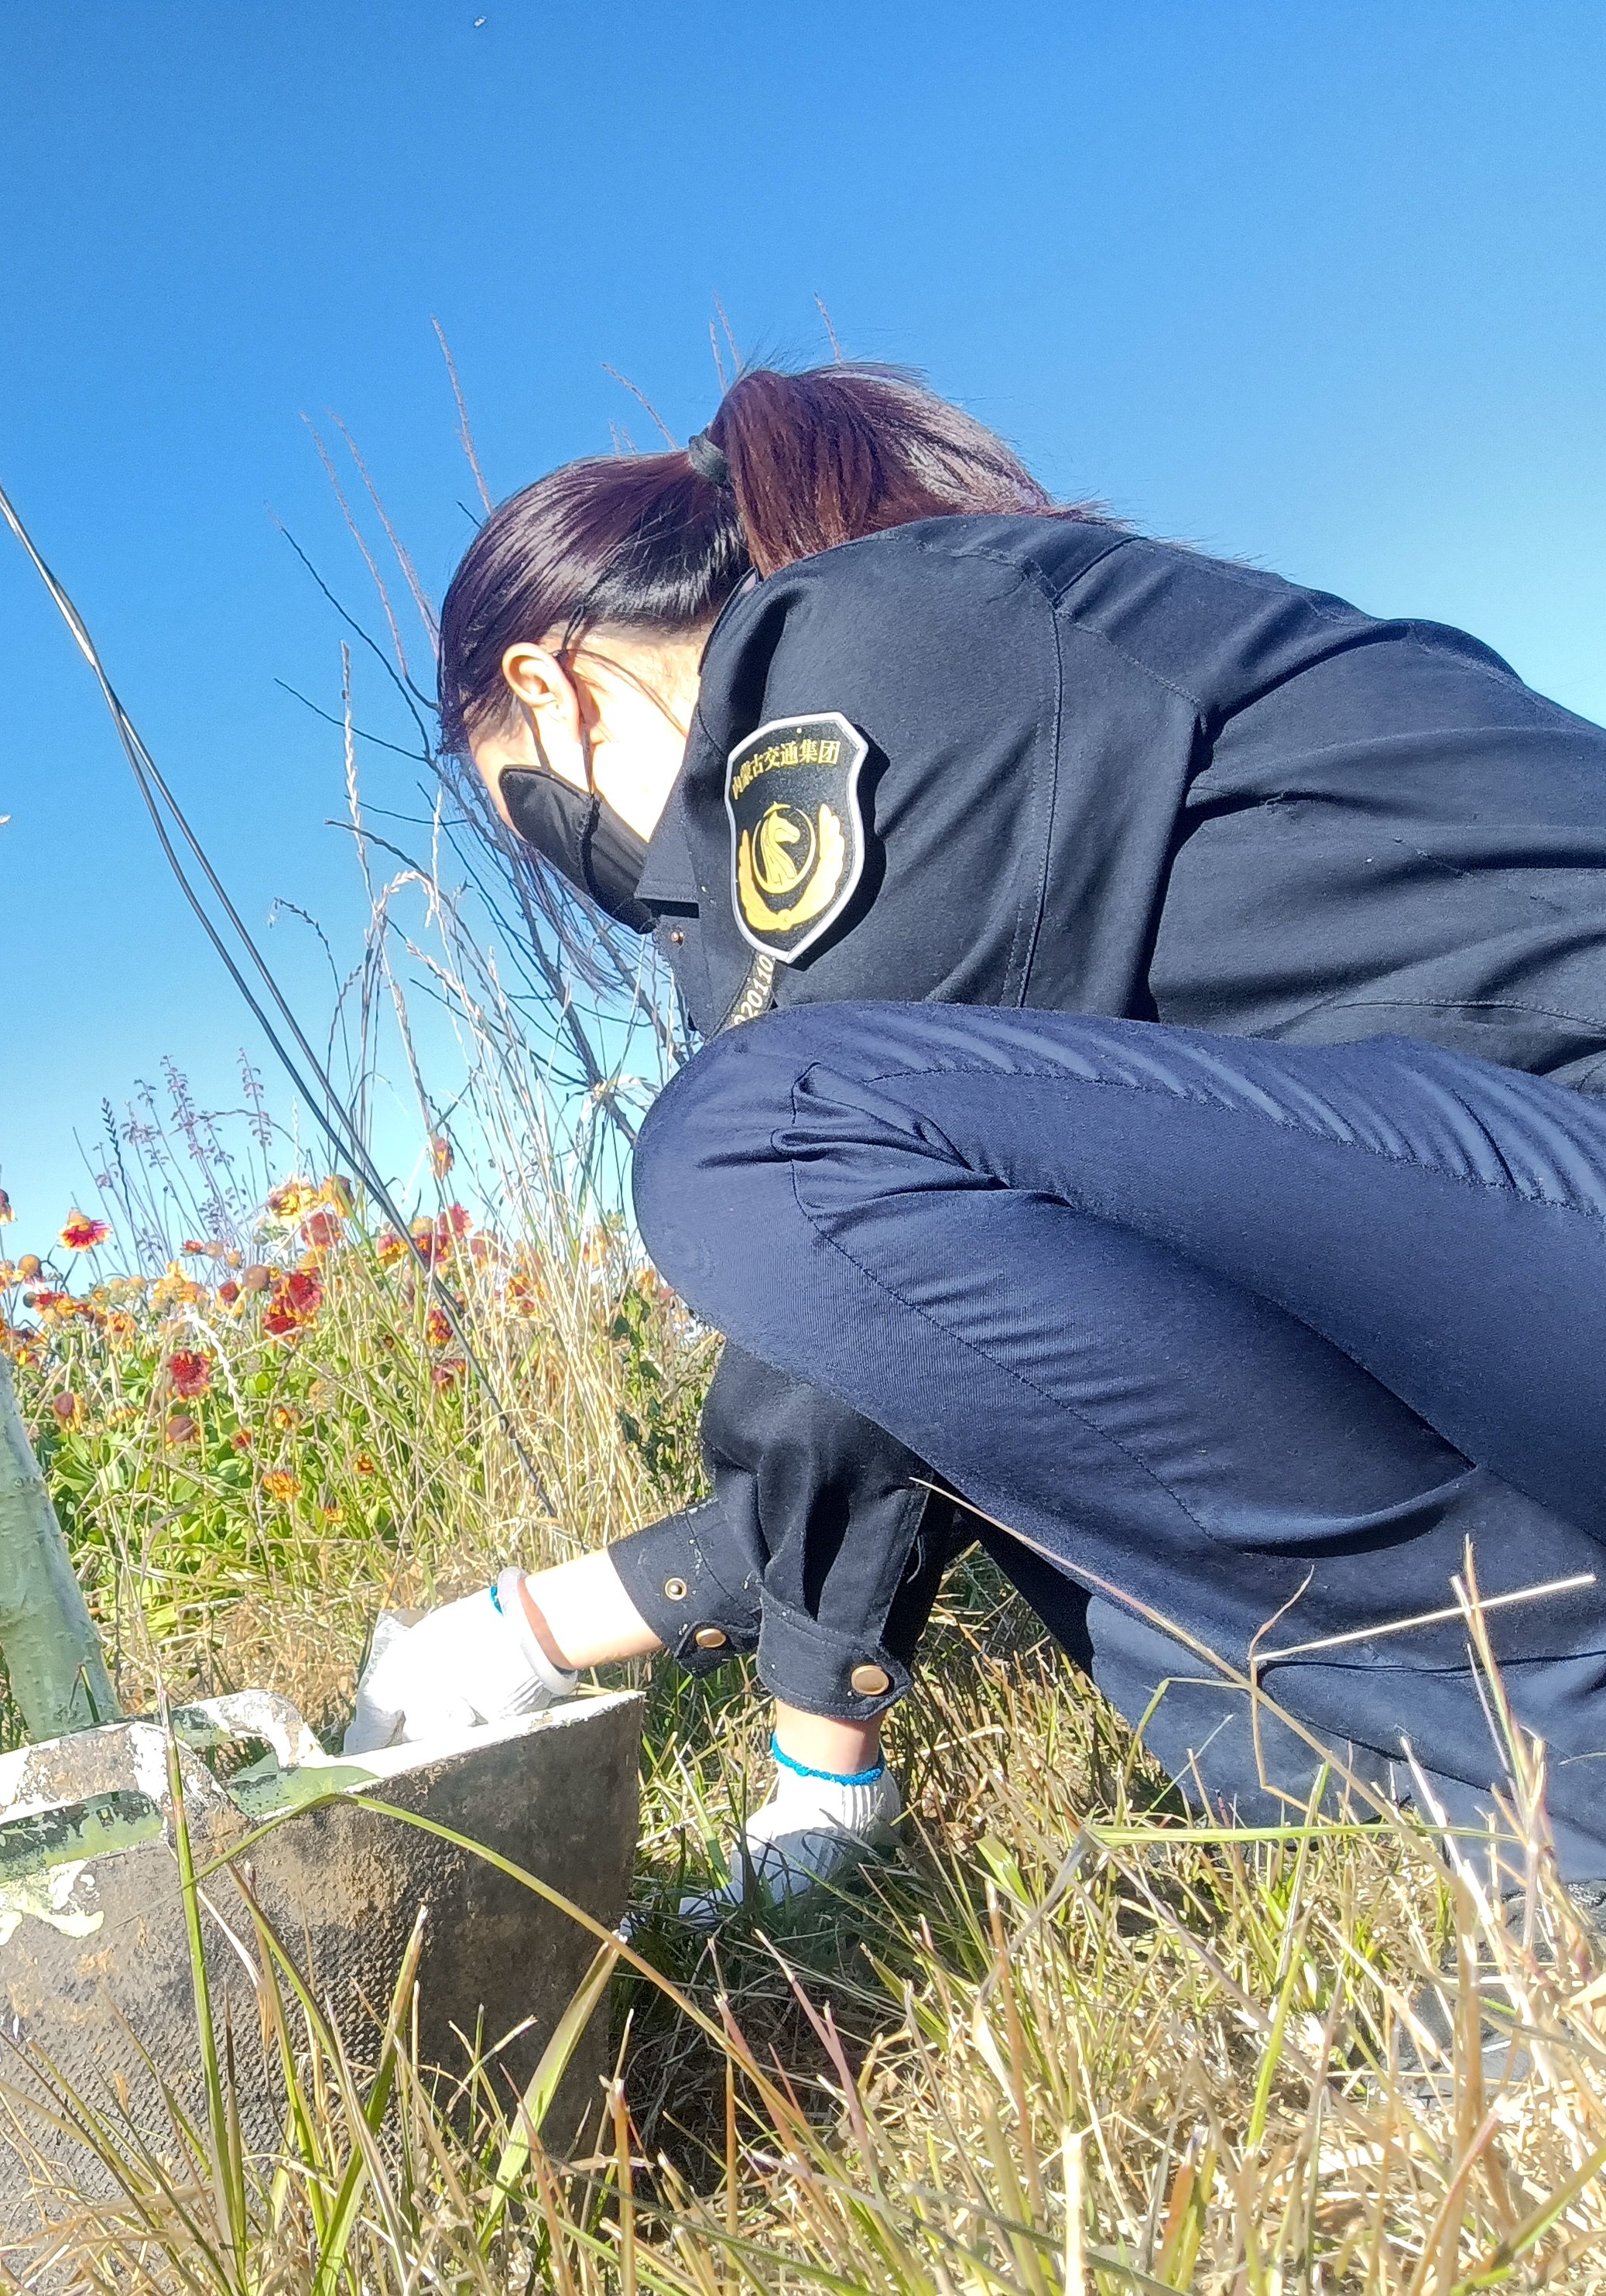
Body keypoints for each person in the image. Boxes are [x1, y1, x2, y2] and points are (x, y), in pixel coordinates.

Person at [345, 365, 1606, 1927]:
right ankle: (1447, 1774)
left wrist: (547, 1649)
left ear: (554, 688)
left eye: (538, 818)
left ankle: (1560, 1753)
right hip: (1528, 1240)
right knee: (1058, 1464)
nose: (626, 886)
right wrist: (606, 1649)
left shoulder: (847, 652)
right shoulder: (977, 634)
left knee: (746, 1134)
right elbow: (953, 1345)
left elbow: (822, 1249)